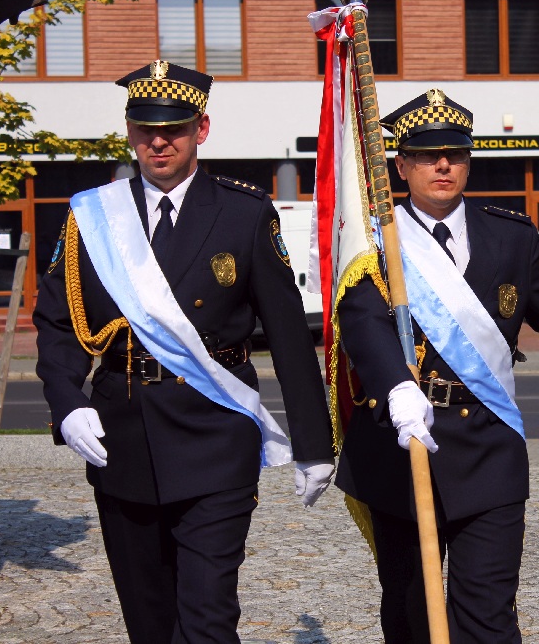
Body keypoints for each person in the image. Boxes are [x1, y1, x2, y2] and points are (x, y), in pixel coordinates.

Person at [332, 88, 539, 643]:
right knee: (412, 613)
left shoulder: (513, 236)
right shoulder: (377, 242)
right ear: (402, 165)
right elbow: (362, 321)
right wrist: (395, 387)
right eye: (427, 155)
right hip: (402, 442)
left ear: (468, 160)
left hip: (489, 447)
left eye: (454, 154)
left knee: (488, 615)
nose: (442, 166)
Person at [33, 60, 336, 643]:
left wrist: (314, 444)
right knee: (147, 617)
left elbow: (289, 337)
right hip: (123, 435)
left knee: (207, 614)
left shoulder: (245, 213)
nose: (158, 141)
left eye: (173, 127)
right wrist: (67, 403)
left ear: (201, 129)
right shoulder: (91, 217)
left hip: (213, 435)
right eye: (145, 128)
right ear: (129, 132)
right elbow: (56, 323)